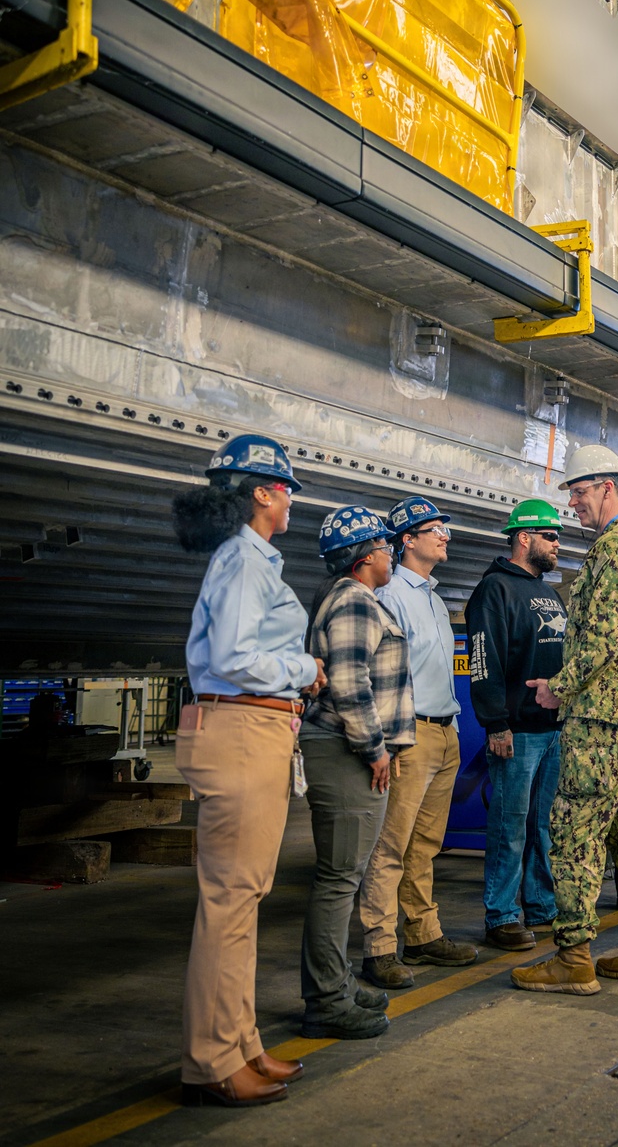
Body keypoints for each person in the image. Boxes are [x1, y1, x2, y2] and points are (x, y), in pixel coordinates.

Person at [172, 434, 326, 1109]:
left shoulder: (252, 559)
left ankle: (240, 1043)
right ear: (263, 493)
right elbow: (235, 655)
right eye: (286, 488)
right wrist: (305, 670)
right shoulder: (242, 561)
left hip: (255, 730)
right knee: (230, 905)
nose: (292, 500)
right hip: (239, 729)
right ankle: (210, 1062)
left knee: (244, 901)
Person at [511, 446, 618, 995]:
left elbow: (605, 637)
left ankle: (573, 956)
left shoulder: (614, 550)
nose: (574, 505)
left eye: (579, 493)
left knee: (574, 831)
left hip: (603, 721)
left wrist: (558, 689)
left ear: (608, 487)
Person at [299, 506, 415, 1039]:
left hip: (345, 751)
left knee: (342, 876)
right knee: (339, 878)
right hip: (345, 753)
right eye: (387, 546)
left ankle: (337, 984)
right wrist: (375, 750)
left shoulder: (354, 600)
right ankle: (326, 999)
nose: (392, 553)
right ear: (367, 555)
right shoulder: (353, 601)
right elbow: (349, 684)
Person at [359, 497, 478, 988]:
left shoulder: (431, 595)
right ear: (407, 539)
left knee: (425, 845)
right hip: (409, 734)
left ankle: (424, 933)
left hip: (444, 731)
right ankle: (378, 947)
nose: (444, 536)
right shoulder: (392, 596)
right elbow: (377, 673)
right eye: (435, 529)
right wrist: (387, 741)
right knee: (391, 845)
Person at [466, 500, 566, 951]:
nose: (556, 543)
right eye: (550, 536)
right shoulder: (495, 590)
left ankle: (542, 904)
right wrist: (496, 723)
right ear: (523, 538)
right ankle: (502, 915)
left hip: (554, 729)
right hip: (517, 732)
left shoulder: (547, 590)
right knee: (510, 826)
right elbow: (483, 662)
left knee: (543, 824)